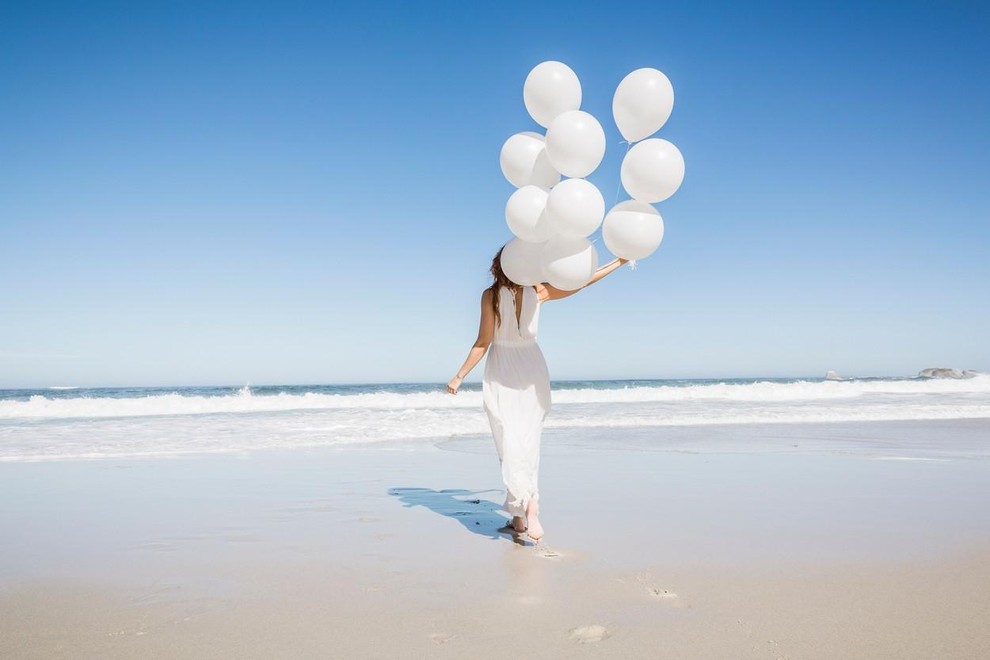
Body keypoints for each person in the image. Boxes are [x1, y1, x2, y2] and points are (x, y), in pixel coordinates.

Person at [447, 246, 628, 543]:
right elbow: (583, 280)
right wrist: (619, 261)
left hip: (503, 366)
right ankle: (522, 515)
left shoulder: (490, 296)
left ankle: (528, 508)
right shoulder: (538, 291)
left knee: (508, 439)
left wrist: (459, 375)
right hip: (531, 365)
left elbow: (482, 342)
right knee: (527, 438)